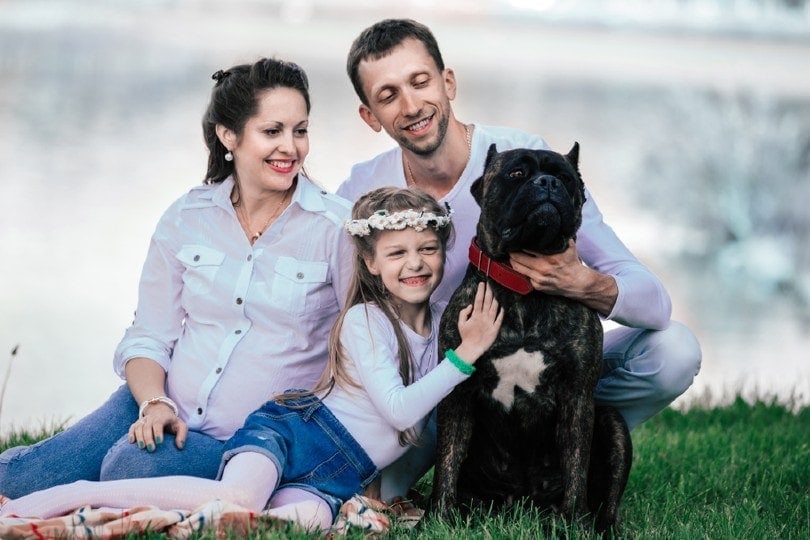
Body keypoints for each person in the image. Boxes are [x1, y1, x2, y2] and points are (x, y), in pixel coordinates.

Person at [337, 18, 702, 503]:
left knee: (673, 349)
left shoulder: (528, 163)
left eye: (420, 82)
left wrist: (580, 281)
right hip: (432, 386)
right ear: (370, 116)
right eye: (388, 95)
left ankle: (562, 457)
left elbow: (653, 302)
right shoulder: (362, 190)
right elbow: (329, 306)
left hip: (552, 365)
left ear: (448, 82)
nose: (410, 105)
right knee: (365, 494)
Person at [0, 187, 504, 532]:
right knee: (241, 500)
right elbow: (398, 411)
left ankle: (178, 517)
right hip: (294, 435)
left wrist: (382, 490)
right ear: (369, 262)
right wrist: (467, 356)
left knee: (304, 524)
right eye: (397, 253)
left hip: (337, 473)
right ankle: (74, 496)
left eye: (428, 249)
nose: (415, 263)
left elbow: (416, 433)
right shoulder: (366, 321)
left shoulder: (441, 327)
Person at [0, 58, 355, 500]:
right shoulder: (188, 217)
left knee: (128, 467)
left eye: (300, 130)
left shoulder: (335, 228)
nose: (292, 147)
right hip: (156, 402)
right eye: (273, 131)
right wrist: (155, 402)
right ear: (230, 136)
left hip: (250, 445)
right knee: (16, 481)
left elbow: (362, 353)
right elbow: (150, 334)